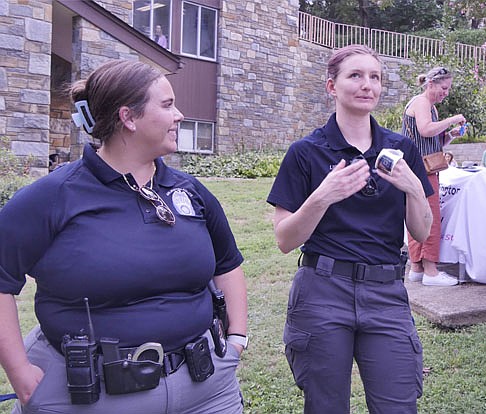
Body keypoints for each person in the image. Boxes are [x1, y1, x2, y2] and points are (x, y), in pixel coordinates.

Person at [0, 60, 248, 413]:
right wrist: (20, 371)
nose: (179, 115)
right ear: (129, 118)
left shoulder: (190, 192)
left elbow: (227, 262)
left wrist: (236, 338)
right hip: (92, 396)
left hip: (205, 390)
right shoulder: (54, 197)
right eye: (166, 105)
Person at [267, 44, 432, 413]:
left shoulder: (401, 149)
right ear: (332, 86)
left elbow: (421, 232)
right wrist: (323, 196)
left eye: (374, 77)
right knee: (326, 406)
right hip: (323, 292)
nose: (366, 85)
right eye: (355, 75)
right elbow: (284, 239)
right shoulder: (306, 152)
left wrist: (414, 188)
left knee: (397, 405)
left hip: (386, 294)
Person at [401, 66, 466, 286]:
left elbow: (434, 141)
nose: (446, 93)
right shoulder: (421, 103)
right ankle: (431, 271)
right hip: (422, 170)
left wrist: (450, 135)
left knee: (417, 215)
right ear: (431, 84)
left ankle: (417, 267)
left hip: (419, 167)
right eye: (444, 88)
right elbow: (425, 130)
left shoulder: (430, 106)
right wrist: (452, 119)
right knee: (429, 216)